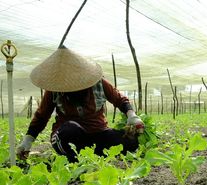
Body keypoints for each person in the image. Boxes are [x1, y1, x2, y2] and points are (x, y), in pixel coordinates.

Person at [16, 46, 144, 162]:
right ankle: (81, 157)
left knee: (131, 141)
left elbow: (120, 100)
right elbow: (41, 116)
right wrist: (27, 141)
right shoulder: (54, 90)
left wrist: (131, 115)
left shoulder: (99, 84)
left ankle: (91, 154)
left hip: (98, 133)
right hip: (71, 137)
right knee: (69, 130)